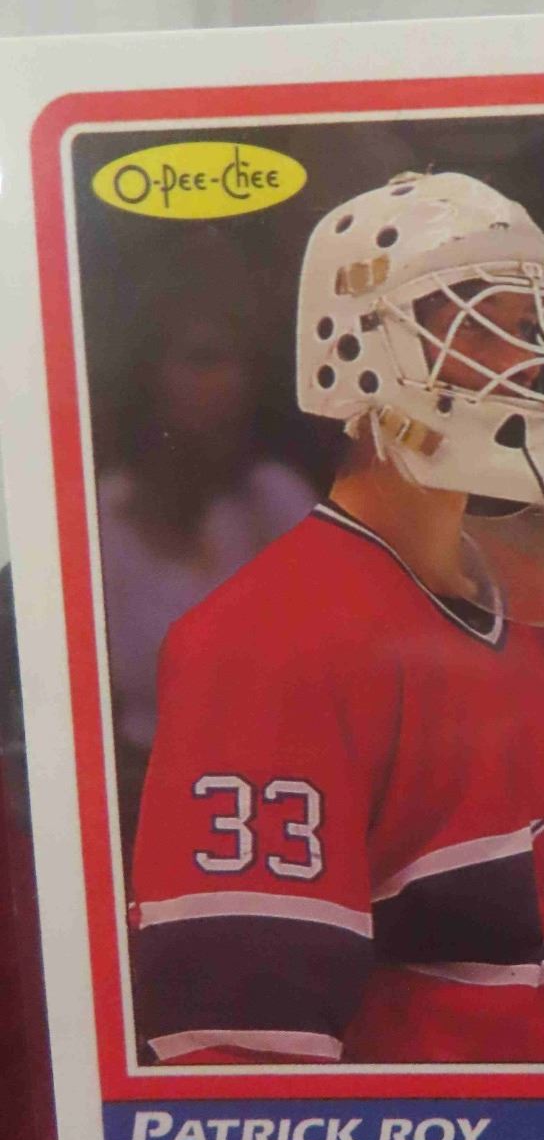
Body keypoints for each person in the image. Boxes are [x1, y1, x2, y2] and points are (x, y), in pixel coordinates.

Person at [129, 171, 544, 1066]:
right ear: (360, 352)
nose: (526, 360)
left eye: (531, 326)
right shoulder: (259, 645)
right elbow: (241, 1063)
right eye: (480, 327)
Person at [97, 275, 316, 843]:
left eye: (241, 364)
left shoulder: (279, 501)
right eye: (202, 360)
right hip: (138, 812)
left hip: (281, 802)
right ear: (147, 376)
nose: (229, 382)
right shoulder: (98, 523)